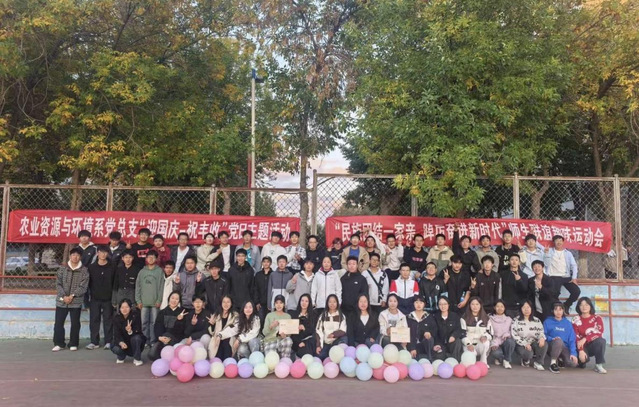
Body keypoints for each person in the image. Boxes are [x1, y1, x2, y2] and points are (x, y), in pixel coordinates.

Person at [52, 247, 89, 352]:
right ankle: (59, 343)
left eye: (77, 255)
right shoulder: (62, 269)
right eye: (73, 255)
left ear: (80, 257)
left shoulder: (84, 270)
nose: (75, 257)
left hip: (75, 301)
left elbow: (83, 286)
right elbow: (58, 284)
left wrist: (72, 296)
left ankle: (73, 343)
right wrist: (64, 296)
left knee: (75, 323)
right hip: (62, 301)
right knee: (58, 323)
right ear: (70, 256)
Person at [86, 245, 115, 350]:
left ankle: (108, 341)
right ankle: (94, 342)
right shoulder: (91, 267)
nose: (103, 254)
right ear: (97, 253)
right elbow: (87, 284)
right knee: (94, 320)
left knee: (108, 320)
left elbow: (114, 283)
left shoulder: (112, 267)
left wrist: (114, 299)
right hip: (95, 298)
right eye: (101, 252)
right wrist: (87, 300)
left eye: (105, 252)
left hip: (108, 299)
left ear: (108, 254)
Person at [134, 250, 164, 346]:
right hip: (143, 303)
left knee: (154, 323)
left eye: (153, 257)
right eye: (149, 257)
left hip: (155, 302)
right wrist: (138, 300)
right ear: (146, 259)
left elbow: (161, 287)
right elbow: (138, 286)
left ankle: (153, 341)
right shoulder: (142, 272)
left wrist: (159, 300)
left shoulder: (159, 271)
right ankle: (145, 341)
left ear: (156, 259)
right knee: (144, 323)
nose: (150, 259)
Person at [545, 235, 581, 313]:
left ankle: (567, 305)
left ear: (563, 242)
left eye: (560, 240)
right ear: (553, 242)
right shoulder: (549, 251)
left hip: (566, 277)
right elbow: (538, 246)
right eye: (557, 240)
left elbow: (574, 265)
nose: (559, 242)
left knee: (576, 291)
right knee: (554, 294)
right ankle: (557, 310)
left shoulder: (568, 253)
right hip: (553, 277)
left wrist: (574, 278)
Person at [572, 297, 607, 374]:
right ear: (578, 307)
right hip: (580, 346)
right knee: (583, 361)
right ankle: (582, 362)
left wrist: (585, 339)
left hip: (592, 345)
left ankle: (598, 365)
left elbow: (599, 332)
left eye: (586, 305)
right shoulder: (575, 319)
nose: (584, 307)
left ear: (590, 306)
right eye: (581, 305)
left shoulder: (597, 318)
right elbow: (575, 336)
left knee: (601, 341)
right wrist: (581, 350)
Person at [148, 291, 186, 361]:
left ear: (179, 301)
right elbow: (157, 326)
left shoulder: (182, 313)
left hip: (176, 339)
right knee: (152, 354)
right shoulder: (162, 312)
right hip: (163, 339)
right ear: (169, 299)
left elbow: (182, 331)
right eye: (172, 298)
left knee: (167, 335)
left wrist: (179, 320)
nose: (174, 300)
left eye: (177, 299)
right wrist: (159, 337)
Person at [511, 300, 548, 371]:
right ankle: (525, 360)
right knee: (528, 354)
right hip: (521, 344)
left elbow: (541, 332)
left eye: (528, 307)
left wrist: (541, 338)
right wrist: (525, 344)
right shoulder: (515, 320)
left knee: (544, 343)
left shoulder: (536, 320)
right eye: (524, 307)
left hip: (533, 342)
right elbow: (514, 335)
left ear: (531, 308)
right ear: (520, 309)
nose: (526, 309)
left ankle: (538, 362)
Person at [544, 302, 578, 374]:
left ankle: (560, 359)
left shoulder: (568, 323)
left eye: (560, 309)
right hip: (552, 345)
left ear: (563, 310)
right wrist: (551, 338)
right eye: (556, 309)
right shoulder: (547, 321)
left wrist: (573, 353)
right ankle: (553, 363)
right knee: (558, 341)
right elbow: (543, 335)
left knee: (573, 363)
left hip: (564, 347)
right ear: (552, 311)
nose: (558, 312)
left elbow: (572, 339)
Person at [460, 297, 494, 366]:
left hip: (479, 343)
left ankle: (483, 363)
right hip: (469, 343)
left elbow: (490, 333)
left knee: (486, 343)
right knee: (469, 364)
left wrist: (485, 337)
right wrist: (468, 344)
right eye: (472, 304)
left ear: (480, 305)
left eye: (477, 304)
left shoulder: (486, 318)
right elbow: (462, 334)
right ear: (469, 305)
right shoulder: (464, 318)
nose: (475, 306)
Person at [111, 298, 146, 365]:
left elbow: (138, 331)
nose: (124, 309)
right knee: (113, 345)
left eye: (127, 307)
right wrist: (121, 342)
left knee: (137, 338)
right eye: (122, 307)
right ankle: (121, 356)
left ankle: (137, 358)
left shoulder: (135, 316)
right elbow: (116, 334)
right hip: (123, 343)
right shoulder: (116, 318)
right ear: (119, 309)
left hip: (133, 343)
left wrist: (130, 331)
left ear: (130, 308)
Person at [315, 294, 347, 359]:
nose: (332, 304)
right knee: (320, 356)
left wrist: (334, 334)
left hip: (336, 341)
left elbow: (343, 330)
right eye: (330, 302)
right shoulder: (323, 316)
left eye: (334, 302)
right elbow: (318, 331)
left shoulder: (341, 316)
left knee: (344, 338)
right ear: (327, 303)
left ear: (337, 303)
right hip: (326, 342)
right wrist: (318, 346)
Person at [206, 295, 238, 360]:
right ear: (221, 303)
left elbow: (234, 329)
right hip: (217, 340)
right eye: (224, 302)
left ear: (231, 303)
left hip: (229, 340)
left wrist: (220, 335)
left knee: (226, 343)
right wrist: (212, 325)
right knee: (217, 358)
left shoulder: (235, 315)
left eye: (228, 302)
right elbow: (212, 332)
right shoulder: (216, 314)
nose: (226, 304)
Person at [407, 295, 438, 361]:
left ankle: (430, 359)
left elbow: (435, 330)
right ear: (413, 304)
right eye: (416, 302)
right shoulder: (409, 317)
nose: (418, 305)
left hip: (424, 345)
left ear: (424, 304)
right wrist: (412, 347)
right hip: (412, 345)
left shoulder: (429, 316)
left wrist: (429, 332)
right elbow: (407, 334)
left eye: (421, 303)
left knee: (429, 339)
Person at [432, 297, 463, 361]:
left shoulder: (454, 316)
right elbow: (434, 332)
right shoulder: (435, 317)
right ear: (438, 305)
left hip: (451, 342)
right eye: (440, 304)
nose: (443, 306)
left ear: (448, 305)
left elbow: (458, 329)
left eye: (445, 304)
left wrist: (453, 336)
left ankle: (455, 361)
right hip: (440, 343)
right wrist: (437, 344)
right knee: (439, 356)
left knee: (458, 342)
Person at [489, 300, 515, 369]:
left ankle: (506, 360)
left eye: (502, 306)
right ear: (494, 307)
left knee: (510, 341)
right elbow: (489, 333)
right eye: (497, 306)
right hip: (495, 342)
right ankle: (500, 358)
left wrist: (507, 334)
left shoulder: (509, 319)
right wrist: (493, 344)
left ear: (504, 308)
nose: (500, 308)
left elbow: (513, 331)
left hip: (505, 341)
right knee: (496, 353)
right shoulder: (490, 318)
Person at [289, 293, 315, 358]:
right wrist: (299, 342)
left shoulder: (313, 315)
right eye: (302, 301)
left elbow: (313, 330)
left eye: (306, 301)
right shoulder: (294, 314)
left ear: (309, 303)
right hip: (296, 341)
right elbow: (291, 332)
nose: (304, 303)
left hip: (308, 341)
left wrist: (304, 328)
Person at [252, 256, 273, 324]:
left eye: (267, 262)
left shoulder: (273, 274)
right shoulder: (258, 275)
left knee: (269, 320)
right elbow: (255, 288)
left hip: (270, 302)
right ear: (261, 263)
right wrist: (256, 302)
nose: (266, 263)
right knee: (260, 320)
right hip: (260, 303)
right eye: (264, 262)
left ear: (270, 263)